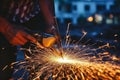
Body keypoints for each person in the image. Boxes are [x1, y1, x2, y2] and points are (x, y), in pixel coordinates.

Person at [0, 0, 56, 79]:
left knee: (42, 68)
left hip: (32, 13)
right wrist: (5, 28)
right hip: (3, 13)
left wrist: (51, 23)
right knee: (3, 68)